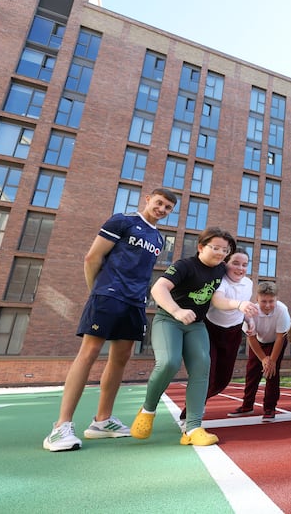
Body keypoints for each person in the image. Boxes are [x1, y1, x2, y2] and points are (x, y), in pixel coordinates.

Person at [43, 188, 177, 452]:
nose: (162, 209)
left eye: (168, 207)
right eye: (159, 203)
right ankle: (61, 426)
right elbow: (92, 257)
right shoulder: (122, 221)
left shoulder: (159, 239)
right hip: (108, 296)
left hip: (135, 302)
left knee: (121, 357)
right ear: (148, 199)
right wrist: (97, 291)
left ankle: (102, 421)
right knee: (90, 351)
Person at [130, 227, 236, 446]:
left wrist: (240, 304)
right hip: (168, 320)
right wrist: (177, 310)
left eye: (224, 250)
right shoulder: (184, 266)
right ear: (200, 247)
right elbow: (158, 289)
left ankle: (193, 427)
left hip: (196, 325)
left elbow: (218, 295)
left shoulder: (220, 269)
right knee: (169, 362)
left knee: (202, 366)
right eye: (215, 248)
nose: (220, 253)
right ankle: (148, 410)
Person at [193, 246, 257, 417]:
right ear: (225, 263)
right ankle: (192, 412)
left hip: (233, 333)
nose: (240, 269)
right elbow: (219, 301)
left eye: (244, 265)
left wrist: (249, 320)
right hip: (210, 331)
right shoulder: (219, 279)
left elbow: (244, 308)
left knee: (223, 380)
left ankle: (197, 401)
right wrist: (239, 304)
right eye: (235, 263)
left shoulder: (248, 283)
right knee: (208, 374)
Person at [227, 282, 290, 422]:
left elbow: (280, 338)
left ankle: (269, 408)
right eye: (263, 301)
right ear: (257, 299)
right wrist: (263, 359)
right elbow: (251, 338)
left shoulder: (282, 310)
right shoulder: (251, 312)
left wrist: (271, 361)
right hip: (258, 342)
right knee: (252, 373)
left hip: (276, 342)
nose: (267, 305)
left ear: (276, 299)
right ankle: (247, 405)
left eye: (271, 301)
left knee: (271, 373)